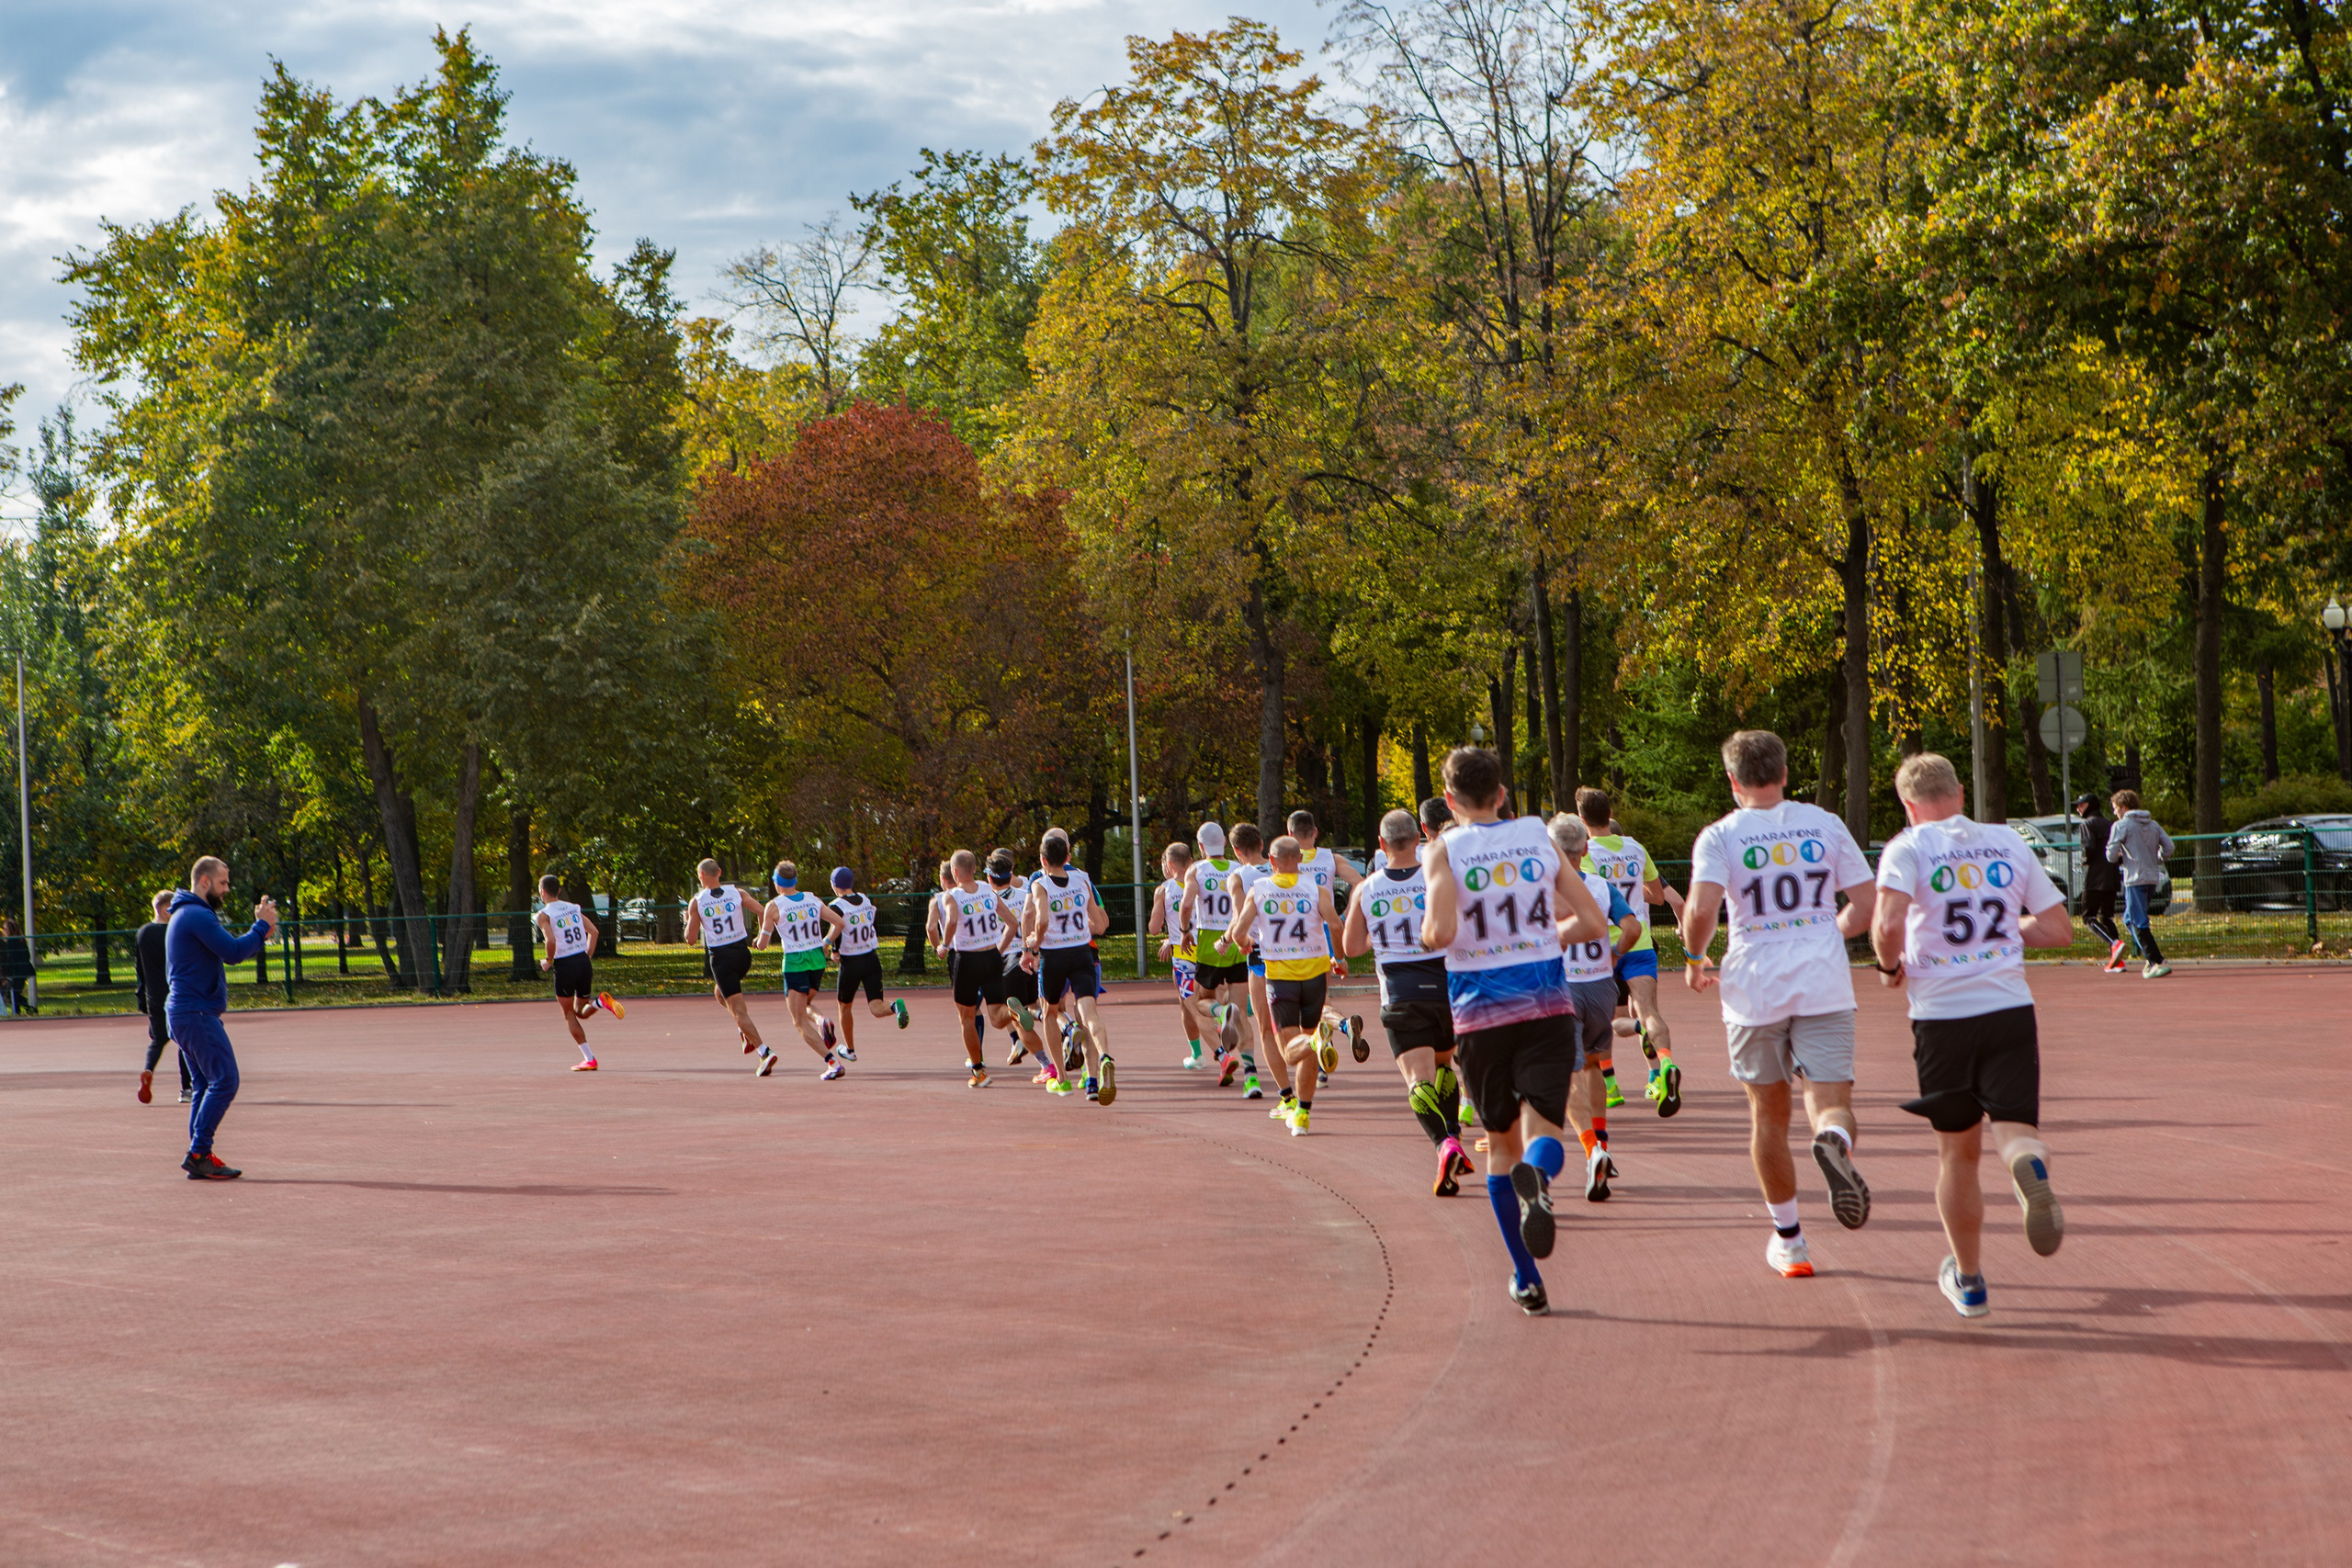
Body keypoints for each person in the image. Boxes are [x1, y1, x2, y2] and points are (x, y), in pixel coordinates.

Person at [1871, 753, 2072, 1318]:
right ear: (1960, 792)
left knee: (1957, 1155)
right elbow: (2058, 929)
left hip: (1941, 1014)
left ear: (1909, 806)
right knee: (2015, 1131)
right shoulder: (2006, 842)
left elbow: (1885, 925)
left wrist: (1889, 970)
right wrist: (2007, 927)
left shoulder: (1908, 847)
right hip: (2008, 1006)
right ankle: (2027, 1162)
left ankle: (1971, 1280)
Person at [1681, 730, 1878, 1280]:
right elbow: (1865, 904)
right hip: (1822, 980)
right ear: (1786, 772)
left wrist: (1696, 959)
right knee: (1830, 1099)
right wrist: (1827, 936)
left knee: (1768, 1114)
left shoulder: (1719, 836)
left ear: (1732, 780)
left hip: (1753, 985)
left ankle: (1790, 1242)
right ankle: (1834, 1141)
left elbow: (1700, 910)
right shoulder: (1824, 822)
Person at [1421, 747, 1609, 1316]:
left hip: (1480, 1014)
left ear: (1450, 802)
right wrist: (1541, 938)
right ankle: (1541, 1174)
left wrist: (1433, 934)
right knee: (1543, 1129)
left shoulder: (1443, 850)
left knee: (1500, 1145)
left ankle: (1527, 1280)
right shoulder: (1536, 836)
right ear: (1501, 794)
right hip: (1547, 1005)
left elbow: (1440, 930)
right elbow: (1593, 922)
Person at [1341, 808, 1473, 1192]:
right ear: (1420, 839)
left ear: (1382, 845)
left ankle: (1444, 1144)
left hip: (1400, 993)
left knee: (1418, 1080)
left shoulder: (1366, 888)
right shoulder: (1440, 879)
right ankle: (1454, 1134)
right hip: (1447, 988)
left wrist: (1378, 939)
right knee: (1444, 1063)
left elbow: (1350, 948)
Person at [164, 858, 277, 1179]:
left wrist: (261, 932)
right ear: (204, 882)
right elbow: (233, 952)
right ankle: (199, 1152)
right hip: (195, 1013)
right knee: (226, 1080)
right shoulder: (197, 914)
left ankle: (199, 1153)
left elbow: (232, 949)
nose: (227, 889)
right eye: (223, 883)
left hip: (185, 1013)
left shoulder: (186, 913)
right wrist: (260, 926)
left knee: (203, 1084)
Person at [1550, 815, 1643, 1201]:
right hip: (1601, 986)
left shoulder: (1543, 893)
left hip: (1563, 988)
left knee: (1568, 1073)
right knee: (1593, 1065)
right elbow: (1633, 928)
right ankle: (1603, 1139)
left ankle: (1593, 1149)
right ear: (1585, 849)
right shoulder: (1602, 888)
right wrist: (1614, 956)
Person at [1576, 789, 1684, 1116]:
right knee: (1649, 1011)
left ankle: (1610, 1086)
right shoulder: (1636, 848)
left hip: (1603, 947)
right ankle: (1664, 1064)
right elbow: (1658, 896)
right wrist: (1632, 894)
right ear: (1611, 813)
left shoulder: (1585, 853)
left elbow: (1588, 900)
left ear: (1582, 820)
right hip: (1639, 942)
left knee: (1606, 1021)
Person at [1225, 835, 1342, 1134]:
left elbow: (1239, 930)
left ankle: (1313, 1050)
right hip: (1315, 975)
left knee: (1292, 1050)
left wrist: (1244, 943)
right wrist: (1338, 958)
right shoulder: (1315, 889)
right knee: (1308, 1043)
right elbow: (1336, 924)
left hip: (1281, 978)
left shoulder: (1260, 889)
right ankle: (1302, 1114)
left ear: (1272, 862)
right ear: (1300, 860)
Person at [1023, 829, 1117, 1103]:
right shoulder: (1082, 878)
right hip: (1082, 954)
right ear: (1067, 856)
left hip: (1054, 956)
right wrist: (1084, 927)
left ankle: (1062, 1080)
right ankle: (1104, 1060)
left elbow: (1040, 919)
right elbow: (1099, 924)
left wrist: (1034, 943)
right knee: (1089, 1015)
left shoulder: (1040, 884)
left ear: (1042, 859)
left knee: (1050, 1012)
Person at [1181, 822, 1261, 1096]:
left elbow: (1187, 904)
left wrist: (1184, 931)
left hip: (1209, 944)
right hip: (1239, 942)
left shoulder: (1197, 870)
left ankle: (1220, 1012)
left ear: (1200, 846)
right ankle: (1252, 1078)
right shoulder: (1238, 870)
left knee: (1200, 1001)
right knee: (1243, 1018)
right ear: (1225, 842)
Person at [755, 861, 849, 1078]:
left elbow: (762, 944)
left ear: (776, 883)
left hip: (796, 962)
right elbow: (840, 923)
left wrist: (757, 940)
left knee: (798, 1021)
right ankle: (820, 1021)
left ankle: (833, 1063)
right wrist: (825, 942)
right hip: (817, 959)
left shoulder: (774, 906)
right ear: (796, 880)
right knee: (805, 1004)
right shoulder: (812, 899)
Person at [684, 860, 772, 1075]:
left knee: (737, 1009)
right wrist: (761, 936)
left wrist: (688, 920)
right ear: (720, 872)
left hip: (721, 958)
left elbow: (691, 939)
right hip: (743, 955)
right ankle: (745, 1031)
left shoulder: (697, 901)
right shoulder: (738, 893)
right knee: (721, 994)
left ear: (700, 876)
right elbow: (762, 911)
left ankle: (764, 1051)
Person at [937, 850, 1016, 1088]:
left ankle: (979, 1072)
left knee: (966, 1018)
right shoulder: (987, 890)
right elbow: (1012, 922)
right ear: (974, 869)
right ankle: (1021, 1013)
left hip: (967, 960)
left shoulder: (951, 896)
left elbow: (951, 921)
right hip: (991, 956)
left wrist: (944, 945)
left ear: (955, 872)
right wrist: (998, 950)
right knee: (996, 1016)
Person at [535, 874, 623, 1071]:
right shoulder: (573, 908)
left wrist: (548, 961)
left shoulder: (544, 915)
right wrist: (587, 957)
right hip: (583, 962)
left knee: (568, 1014)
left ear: (542, 892)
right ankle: (600, 1002)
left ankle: (589, 1059)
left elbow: (550, 941)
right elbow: (594, 932)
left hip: (565, 965)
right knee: (581, 1013)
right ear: (558, 890)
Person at [825, 866, 910, 1057]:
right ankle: (895, 1006)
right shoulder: (864, 899)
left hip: (851, 962)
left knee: (844, 1006)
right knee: (876, 1007)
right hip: (871, 958)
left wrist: (833, 948)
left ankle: (850, 1049)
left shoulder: (836, 905)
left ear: (834, 885)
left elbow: (838, 928)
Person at [988, 851, 1055, 1083]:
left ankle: (1047, 1065)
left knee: (1004, 1019)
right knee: (1038, 1006)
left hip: (1009, 961)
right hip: (1032, 958)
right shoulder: (1026, 891)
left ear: (989, 878)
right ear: (1012, 872)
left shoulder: (988, 900)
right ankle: (1065, 1033)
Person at [1149, 842, 1211, 1069]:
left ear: (1169, 864)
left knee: (1187, 1004)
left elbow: (1154, 928)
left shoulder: (1164, 890)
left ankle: (1199, 1055)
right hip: (1207, 948)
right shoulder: (1203, 882)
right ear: (1191, 860)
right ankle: (1227, 1019)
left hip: (1183, 952)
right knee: (1211, 995)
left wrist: (1167, 931)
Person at [2106, 790, 2174, 979]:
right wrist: (2157, 858)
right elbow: (2169, 847)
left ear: (2124, 807)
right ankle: (2149, 956)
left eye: (2116, 808)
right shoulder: (2153, 825)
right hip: (2152, 877)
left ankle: (2156, 961)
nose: (2115, 813)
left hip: (2135, 878)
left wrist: (2118, 854)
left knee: (2138, 921)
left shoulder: (2121, 825)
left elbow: (2110, 855)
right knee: (2129, 919)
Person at [134, 889, 190, 1105]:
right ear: (166, 909)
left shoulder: (142, 933)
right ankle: (186, 1089)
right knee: (184, 1042)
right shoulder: (174, 933)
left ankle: (148, 1070)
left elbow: (140, 969)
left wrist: (141, 996)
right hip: (176, 995)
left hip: (153, 996)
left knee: (158, 1040)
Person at [2072, 795, 2128, 972]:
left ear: (2090, 805)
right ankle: (2117, 960)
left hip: (2095, 878)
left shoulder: (2087, 824)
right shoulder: (2111, 824)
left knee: (2088, 917)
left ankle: (2114, 943)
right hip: (2112, 876)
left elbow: (2088, 847)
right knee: (2107, 917)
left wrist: (2084, 860)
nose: (2078, 808)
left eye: (2081, 805)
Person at [1, 916, 35, 1014]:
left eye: (5, 928)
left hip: (16, 973)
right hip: (22, 972)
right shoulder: (21, 941)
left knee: (10, 994)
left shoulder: (12, 942)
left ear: (11, 930)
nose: (3, 930)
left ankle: (28, 1007)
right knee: (13, 994)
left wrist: (8, 975)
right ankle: (18, 1012)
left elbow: (10, 959)